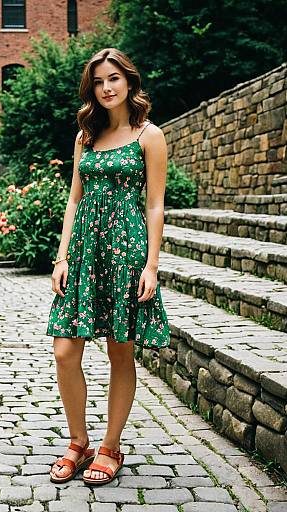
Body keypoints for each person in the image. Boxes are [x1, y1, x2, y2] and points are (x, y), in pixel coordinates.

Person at [46, 48, 171, 486]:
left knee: (121, 351)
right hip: (84, 252)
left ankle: (110, 446)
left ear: (130, 82)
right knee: (65, 350)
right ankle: (77, 441)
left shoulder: (149, 136)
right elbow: (74, 199)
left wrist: (152, 265)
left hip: (127, 252)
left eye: (114, 79)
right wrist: (62, 257)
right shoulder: (85, 136)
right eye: (98, 82)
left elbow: (155, 205)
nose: (106, 88)